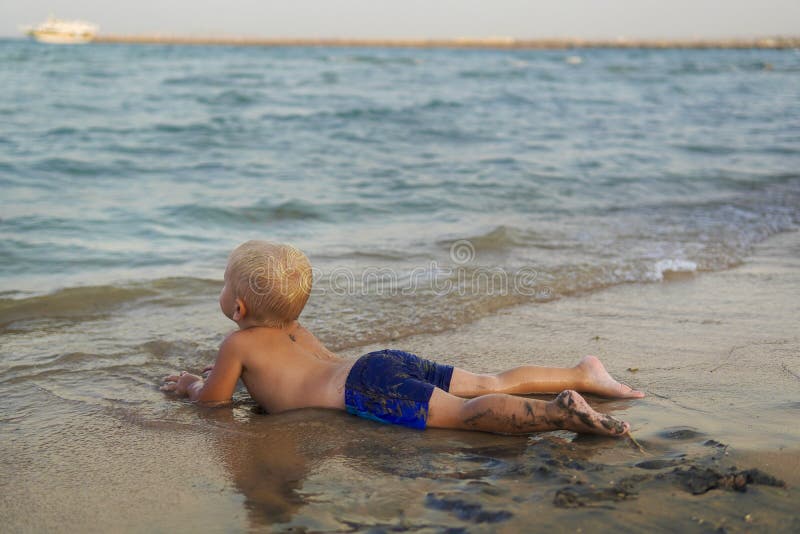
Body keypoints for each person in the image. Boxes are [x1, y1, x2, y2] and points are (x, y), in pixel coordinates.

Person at [161, 240, 643, 436]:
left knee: (461, 416)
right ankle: (584, 372)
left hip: (366, 388)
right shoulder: (295, 330)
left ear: (238, 307)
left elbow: (213, 404)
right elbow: (315, 369)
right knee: (485, 380)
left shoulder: (236, 346)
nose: (223, 291)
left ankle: (560, 412)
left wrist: (190, 385)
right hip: (378, 364)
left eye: (224, 283)